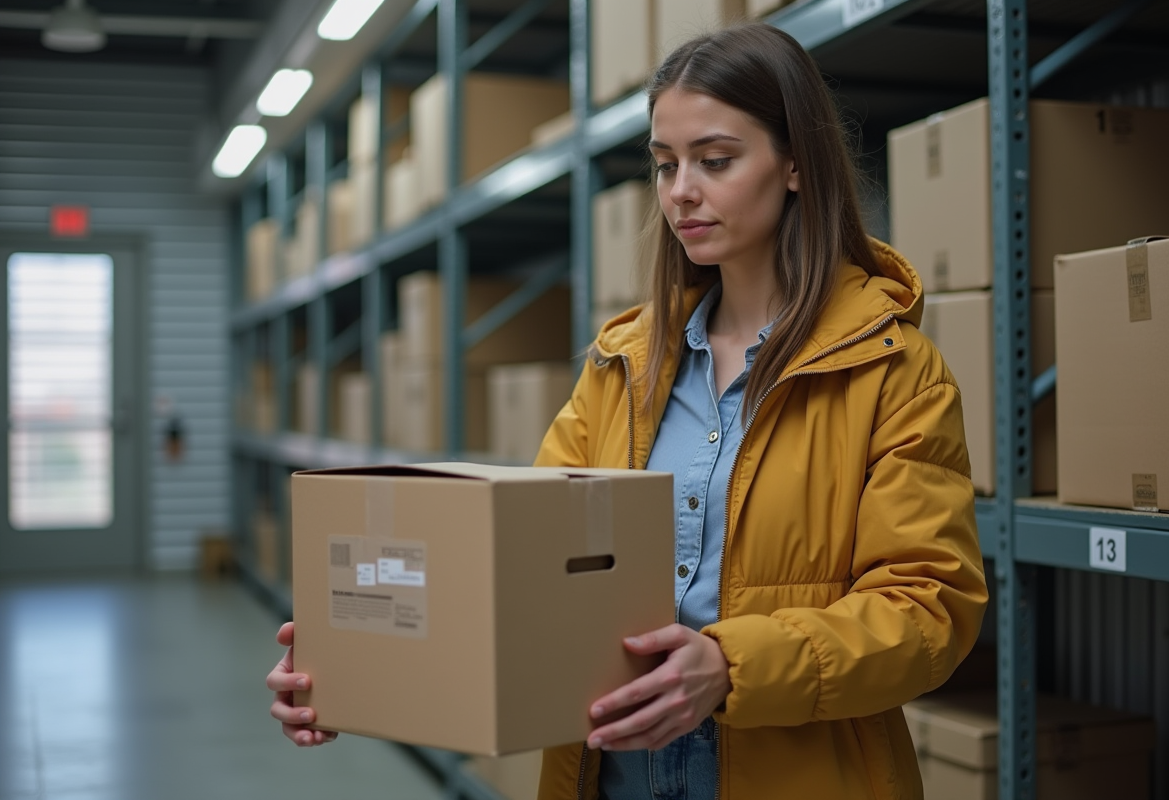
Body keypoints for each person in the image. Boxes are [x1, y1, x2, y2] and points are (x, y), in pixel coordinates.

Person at [268, 22, 987, 800]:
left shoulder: (892, 370)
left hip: (795, 773)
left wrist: (731, 666)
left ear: (795, 166)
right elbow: (518, 567)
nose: (681, 191)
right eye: (665, 164)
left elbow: (928, 610)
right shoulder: (624, 366)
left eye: (715, 161)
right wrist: (355, 657)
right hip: (609, 773)